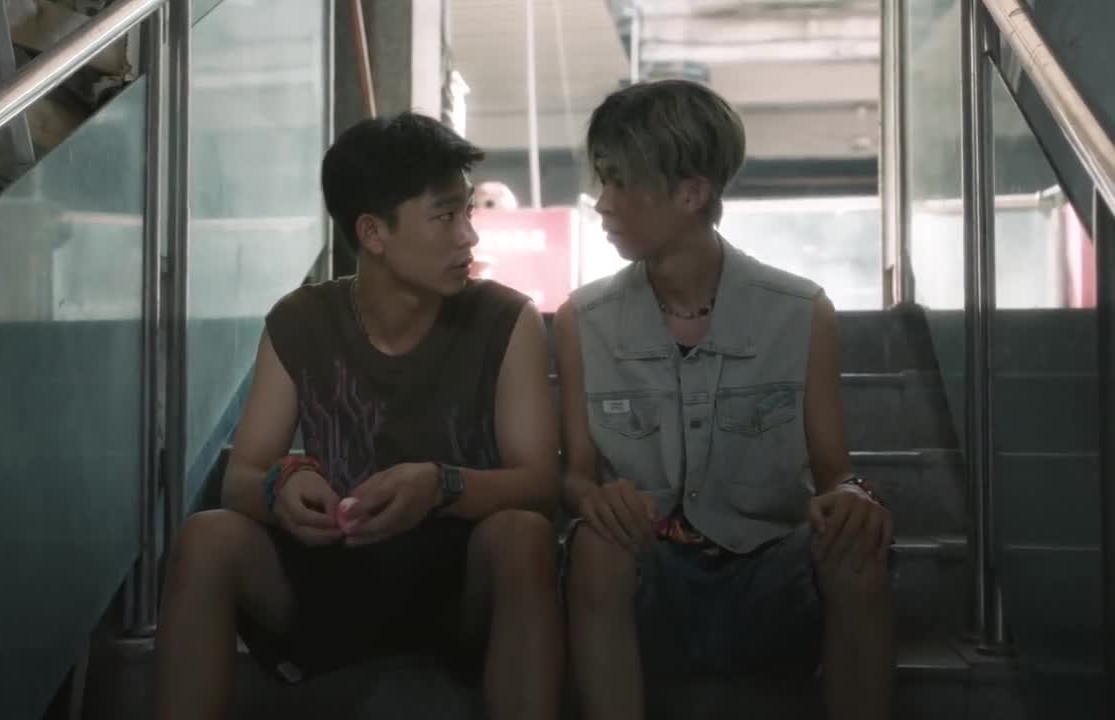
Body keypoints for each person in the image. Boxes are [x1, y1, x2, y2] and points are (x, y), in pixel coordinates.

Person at [156, 112, 564, 720]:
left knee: (524, 536)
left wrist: (441, 485)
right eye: (445, 216)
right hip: (330, 575)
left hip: (455, 585)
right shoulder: (301, 320)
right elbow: (243, 477)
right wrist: (285, 486)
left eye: (467, 213)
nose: (468, 237)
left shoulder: (506, 320)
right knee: (206, 536)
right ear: (373, 232)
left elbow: (540, 485)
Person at [557, 80, 895, 720]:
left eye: (620, 182)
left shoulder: (801, 312)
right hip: (649, 576)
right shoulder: (584, 319)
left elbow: (835, 473)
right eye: (602, 180)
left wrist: (854, 498)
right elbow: (575, 473)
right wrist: (594, 499)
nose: (602, 203)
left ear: (691, 193)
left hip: (767, 574)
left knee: (855, 546)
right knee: (596, 546)